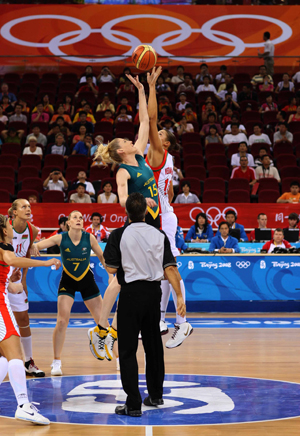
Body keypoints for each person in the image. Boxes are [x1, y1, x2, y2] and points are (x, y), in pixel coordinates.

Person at [102, 192, 186, 417]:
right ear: (147, 212)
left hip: (130, 294)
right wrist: (179, 296)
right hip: (153, 294)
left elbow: (110, 268)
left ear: (126, 212)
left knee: (128, 349)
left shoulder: (118, 234)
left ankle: (133, 402)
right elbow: (170, 269)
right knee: (154, 346)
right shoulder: (159, 234)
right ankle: (156, 394)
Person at [144, 66, 193, 345]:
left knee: (169, 266)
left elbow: (151, 120)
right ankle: (161, 318)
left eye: (160, 134)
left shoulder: (160, 153)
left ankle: (183, 322)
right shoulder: (169, 161)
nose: (156, 135)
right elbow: (171, 192)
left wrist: (151, 87)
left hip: (161, 216)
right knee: (161, 269)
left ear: (165, 143)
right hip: (163, 212)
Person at [0, 214, 61, 425]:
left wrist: (10, 281)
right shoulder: (3, 248)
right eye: (8, 225)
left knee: (3, 358)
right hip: (0, 307)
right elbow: (10, 259)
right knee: (16, 354)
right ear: (4, 230)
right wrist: (45, 262)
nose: (10, 228)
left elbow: (6, 271)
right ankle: (24, 405)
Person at [34, 211, 107, 376]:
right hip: (68, 280)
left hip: (87, 279)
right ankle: (56, 362)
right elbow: (37, 246)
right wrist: (26, 245)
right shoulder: (61, 238)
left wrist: (110, 275)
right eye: (75, 217)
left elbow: (102, 257)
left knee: (103, 322)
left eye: (81, 217)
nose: (79, 219)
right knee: (61, 321)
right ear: (68, 222)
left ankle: (118, 359)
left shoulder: (90, 238)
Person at [7, 200, 49, 378]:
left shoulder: (32, 230)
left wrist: (24, 279)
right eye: (23, 207)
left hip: (16, 278)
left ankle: (29, 361)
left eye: (29, 207)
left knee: (23, 319)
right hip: (3, 277)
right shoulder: (5, 228)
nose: (28, 209)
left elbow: (26, 254)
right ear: (14, 212)